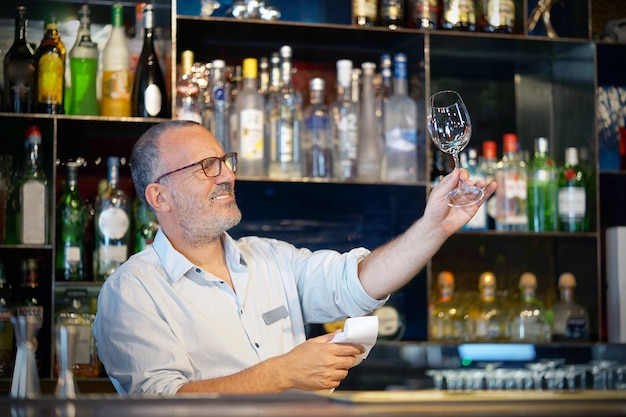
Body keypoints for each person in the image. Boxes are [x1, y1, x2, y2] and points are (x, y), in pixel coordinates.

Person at [94, 120, 496, 395]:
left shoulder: (271, 258)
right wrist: (283, 372)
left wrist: (433, 227)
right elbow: (157, 405)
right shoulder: (132, 292)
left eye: (225, 162)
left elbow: (356, 281)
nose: (227, 175)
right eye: (206, 167)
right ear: (158, 196)